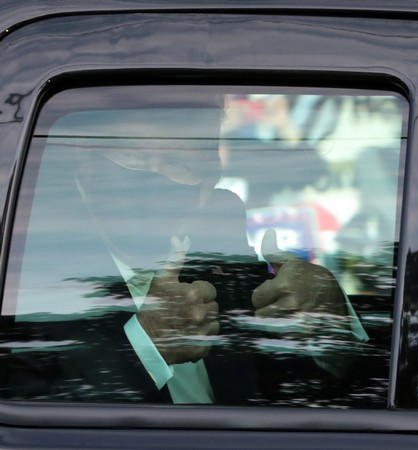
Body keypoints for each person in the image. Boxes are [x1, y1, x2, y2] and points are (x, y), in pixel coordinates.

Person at [1, 89, 367, 405]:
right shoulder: (24, 256)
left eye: (201, 165)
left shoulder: (218, 239)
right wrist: (146, 348)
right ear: (83, 156)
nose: (185, 187)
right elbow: (21, 406)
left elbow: (309, 396)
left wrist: (330, 324)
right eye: (147, 163)